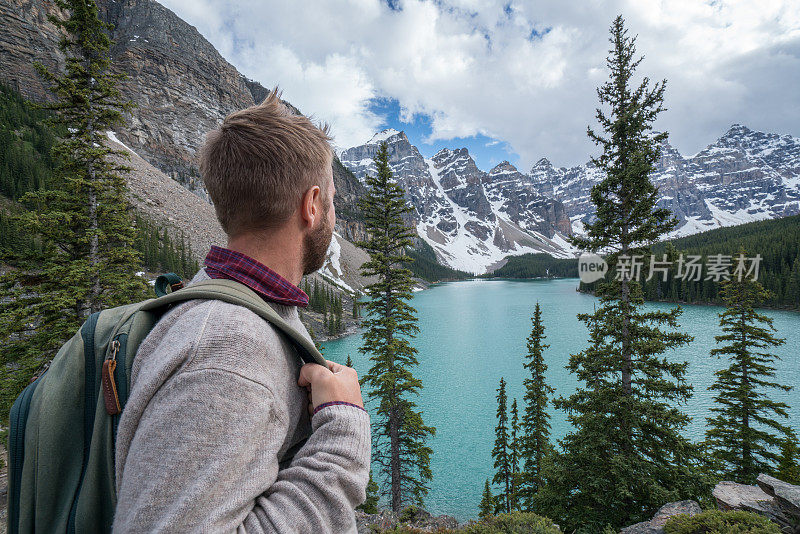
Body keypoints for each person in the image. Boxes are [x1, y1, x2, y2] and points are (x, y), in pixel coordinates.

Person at [113, 89, 371, 533]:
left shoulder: (223, 310)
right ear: (311, 206)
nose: (333, 214)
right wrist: (341, 437)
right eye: (332, 201)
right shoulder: (226, 353)